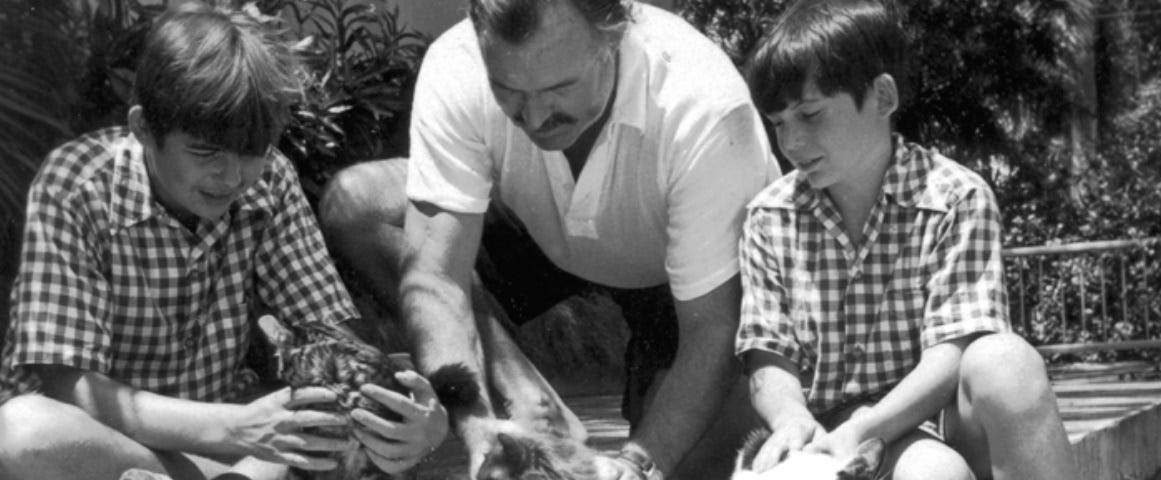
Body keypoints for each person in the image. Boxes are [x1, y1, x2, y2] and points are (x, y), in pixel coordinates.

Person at [316, 0, 781, 477]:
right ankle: (528, 396)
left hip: (684, 290)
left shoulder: (704, 105)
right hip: (539, 226)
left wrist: (636, 463)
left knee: (695, 466)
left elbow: (714, 330)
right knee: (361, 205)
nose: (536, 118)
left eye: (561, 87)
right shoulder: (456, 63)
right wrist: (478, 432)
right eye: (507, 89)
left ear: (615, 36)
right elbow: (436, 278)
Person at [0, 3, 447, 479]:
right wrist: (239, 428)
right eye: (205, 151)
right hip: (107, 444)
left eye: (251, 152)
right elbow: (70, 386)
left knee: (342, 441)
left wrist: (421, 418)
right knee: (23, 432)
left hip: (222, 451)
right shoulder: (77, 184)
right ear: (144, 129)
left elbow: (333, 336)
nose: (232, 176)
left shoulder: (269, 180)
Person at [734, 0, 1078, 479]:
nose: (790, 143)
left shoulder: (955, 197)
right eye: (778, 123)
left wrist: (867, 428)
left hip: (929, 421)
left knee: (1005, 362)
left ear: (881, 97)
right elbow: (768, 355)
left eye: (809, 115)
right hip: (822, 433)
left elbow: (953, 353)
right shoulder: (769, 218)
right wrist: (791, 419)